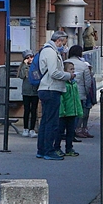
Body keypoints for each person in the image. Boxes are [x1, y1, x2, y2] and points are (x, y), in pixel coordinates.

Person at [35, 30, 73, 160]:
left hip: (46, 88)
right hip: (51, 88)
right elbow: (54, 73)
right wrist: (69, 75)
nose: (64, 46)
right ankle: (48, 150)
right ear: (59, 41)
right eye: (64, 42)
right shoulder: (51, 52)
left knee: (45, 121)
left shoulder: (47, 50)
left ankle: (41, 149)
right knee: (51, 122)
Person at [67, 45, 95, 138]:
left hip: (66, 92)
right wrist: (86, 93)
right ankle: (75, 131)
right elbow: (88, 82)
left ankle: (68, 132)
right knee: (78, 114)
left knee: (67, 114)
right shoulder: (84, 65)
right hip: (80, 93)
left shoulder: (64, 63)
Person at [57, 61, 82, 157]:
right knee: (60, 131)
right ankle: (57, 147)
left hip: (72, 112)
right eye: (71, 69)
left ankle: (69, 148)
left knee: (71, 132)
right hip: (64, 112)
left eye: (73, 69)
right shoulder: (64, 84)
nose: (73, 71)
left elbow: (76, 98)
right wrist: (62, 110)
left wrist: (79, 110)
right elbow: (61, 99)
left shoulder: (74, 84)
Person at [19, 51, 40, 137]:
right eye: (27, 58)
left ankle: (32, 129)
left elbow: (37, 76)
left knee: (34, 110)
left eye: (31, 57)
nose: (30, 59)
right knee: (27, 110)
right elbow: (21, 76)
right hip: (26, 91)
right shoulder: (23, 67)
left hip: (35, 91)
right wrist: (25, 66)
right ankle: (25, 128)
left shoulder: (35, 66)